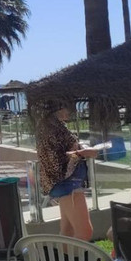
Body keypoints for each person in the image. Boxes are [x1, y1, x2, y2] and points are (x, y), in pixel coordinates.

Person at [36, 102, 98, 241]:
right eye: (68, 107)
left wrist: (79, 149)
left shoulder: (51, 126)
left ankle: (65, 255)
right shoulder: (52, 129)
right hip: (67, 183)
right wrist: (82, 153)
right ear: (58, 108)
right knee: (85, 232)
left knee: (68, 231)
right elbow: (55, 160)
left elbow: (59, 153)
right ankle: (77, 256)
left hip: (64, 183)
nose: (71, 111)